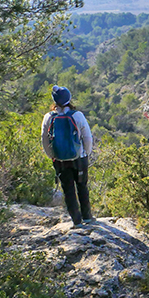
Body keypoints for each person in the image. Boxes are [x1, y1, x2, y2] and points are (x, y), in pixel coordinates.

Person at [41, 85, 94, 227]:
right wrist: (85, 154)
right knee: (82, 186)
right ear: (69, 99)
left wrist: (52, 155)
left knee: (68, 190)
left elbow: (44, 140)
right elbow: (87, 137)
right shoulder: (77, 115)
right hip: (79, 158)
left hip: (59, 160)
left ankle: (76, 221)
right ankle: (87, 217)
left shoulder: (48, 117)